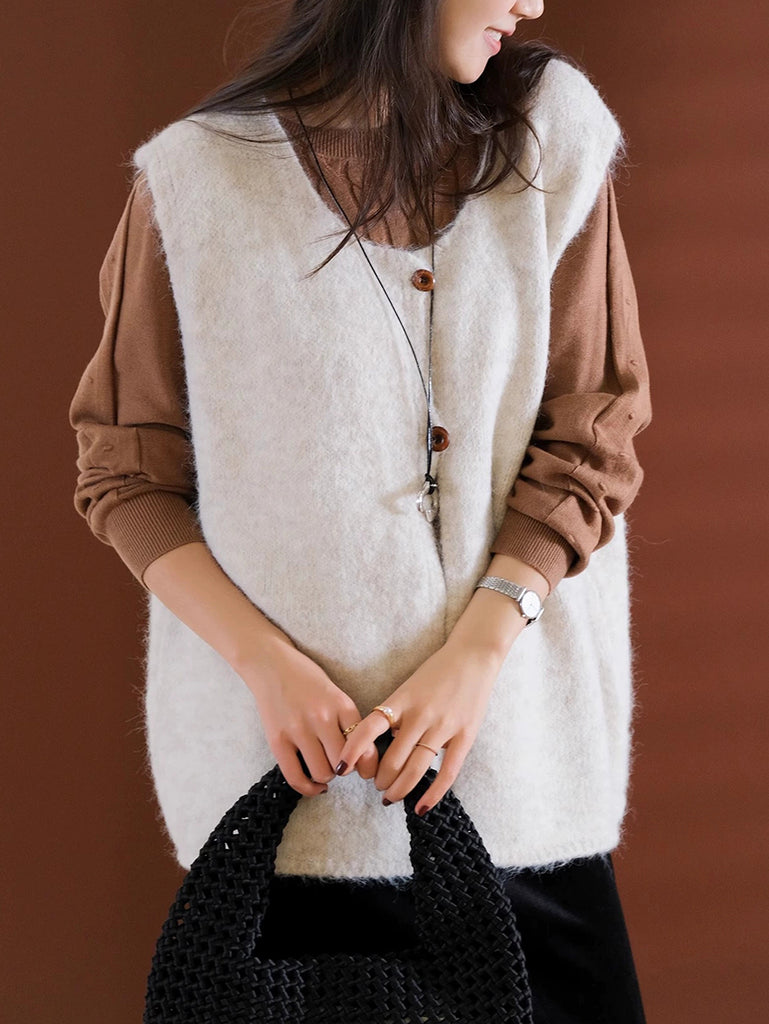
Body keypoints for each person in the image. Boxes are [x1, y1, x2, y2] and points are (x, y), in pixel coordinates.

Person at [69, 1, 652, 1019]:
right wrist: (265, 662)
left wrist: (478, 650)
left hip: (526, 780)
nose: (533, 3)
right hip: (293, 808)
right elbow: (127, 472)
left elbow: (591, 431)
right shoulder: (195, 182)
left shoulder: (549, 139)